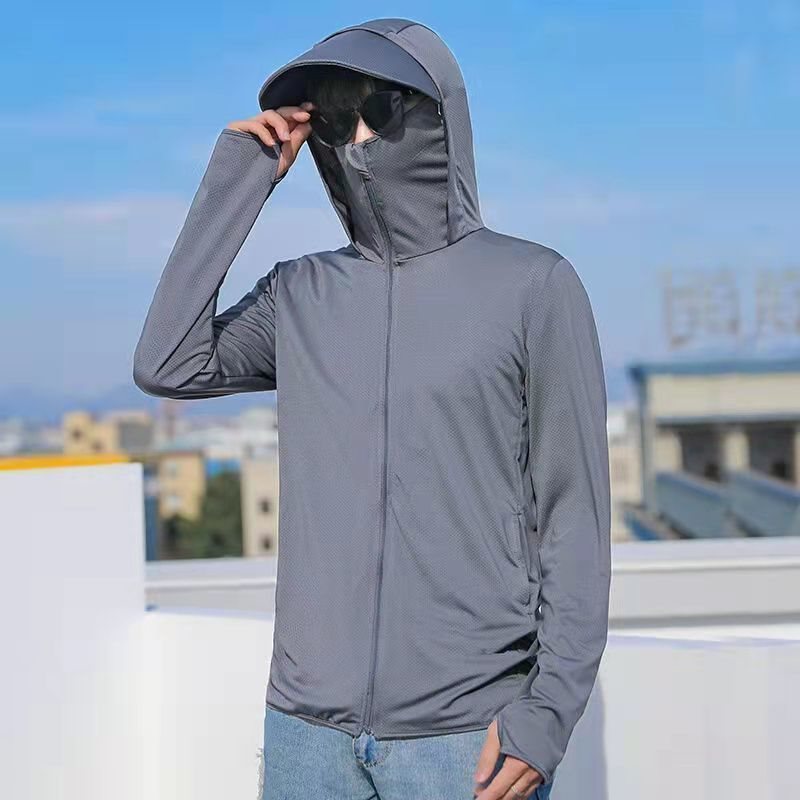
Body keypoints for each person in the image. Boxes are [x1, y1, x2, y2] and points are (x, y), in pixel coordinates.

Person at [133, 17, 611, 800]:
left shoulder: (533, 285)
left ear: (438, 120)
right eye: (331, 115)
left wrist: (548, 713)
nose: (354, 137)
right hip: (305, 735)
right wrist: (238, 180)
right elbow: (167, 363)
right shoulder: (301, 293)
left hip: (466, 735)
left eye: (377, 108)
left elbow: (573, 516)